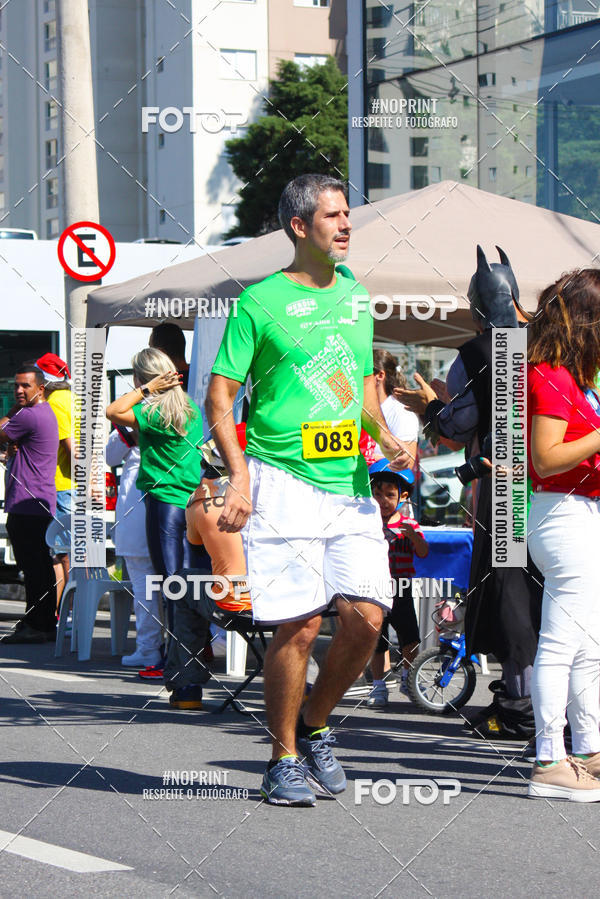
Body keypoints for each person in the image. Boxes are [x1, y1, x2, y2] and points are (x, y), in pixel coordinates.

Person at [206, 173, 410, 806]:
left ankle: (317, 721)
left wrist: (385, 434)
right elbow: (219, 396)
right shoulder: (258, 302)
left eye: (349, 215)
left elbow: (353, 385)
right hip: (283, 480)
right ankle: (283, 757)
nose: (347, 225)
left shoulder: (355, 292)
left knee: (367, 617)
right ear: (300, 227)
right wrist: (238, 477)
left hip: (348, 480)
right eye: (334, 216)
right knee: (296, 628)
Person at [526, 269, 600, 801]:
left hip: (580, 511)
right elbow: (545, 458)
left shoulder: (574, 375)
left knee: (588, 644)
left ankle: (590, 750)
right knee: (560, 642)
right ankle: (549, 757)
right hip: (562, 512)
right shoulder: (550, 374)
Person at [105, 348, 210, 679]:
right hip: (190, 503)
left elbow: (113, 410)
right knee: (188, 580)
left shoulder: (153, 412)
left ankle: (176, 659)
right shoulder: (189, 408)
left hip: (164, 503)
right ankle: (192, 651)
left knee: (171, 583)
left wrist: (146, 390)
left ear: (143, 379)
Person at [163, 489, 252, 709]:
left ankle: (187, 686)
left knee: (182, 583)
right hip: (284, 603)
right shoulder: (285, 493)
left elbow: (195, 543)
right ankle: (306, 684)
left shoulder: (203, 501)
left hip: (236, 603)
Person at [0, 364, 58, 643]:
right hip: (32, 501)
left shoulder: (31, 416)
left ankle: (40, 623)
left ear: (41, 388)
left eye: (26, 386)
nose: (19, 391)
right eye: (16, 386)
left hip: (29, 502)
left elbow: (2, 431)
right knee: (35, 566)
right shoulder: (37, 414)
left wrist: (10, 415)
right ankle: (36, 621)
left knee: (35, 568)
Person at [366, 463, 428, 707]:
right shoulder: (367, 524)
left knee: (409, 637)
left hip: (401, 587)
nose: (382, 500)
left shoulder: (409, 525)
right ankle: (378, 686)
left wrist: (411, 536)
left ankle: (407, 678)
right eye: (377, 494)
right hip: (374, 588)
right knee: (376, 639)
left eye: (389, 495)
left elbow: (423, 552)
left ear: (403, 496)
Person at [106, 426, 162, 668]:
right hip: (171, 503)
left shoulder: (131, 417)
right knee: (173, 583)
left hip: (139, 506)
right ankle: (180, 649)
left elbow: (109, 457)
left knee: (145, 584)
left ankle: (149, 648)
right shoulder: (185, 410)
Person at [35, 353, 72, 612]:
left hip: (62, 485)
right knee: (59, 554)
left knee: (65, 554)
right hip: (67, 485)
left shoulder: (56, 403)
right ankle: (60, 613)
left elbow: (69, 445)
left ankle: (70, 613)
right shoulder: (70, 397)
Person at [149, 322, 190, 391]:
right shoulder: (201, 377)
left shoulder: (165, 386)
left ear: (160, 353)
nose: (149, 355)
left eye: (151, 348)